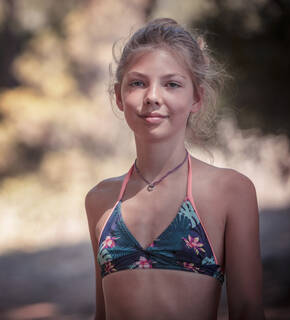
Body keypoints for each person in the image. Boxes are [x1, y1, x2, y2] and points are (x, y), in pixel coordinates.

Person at [85, 18, 264, 320]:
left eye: (172, 84)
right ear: (119, 96)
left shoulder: (230, 191)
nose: (153, 96)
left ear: (197, 97)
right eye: (138, 83)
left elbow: (247, 311)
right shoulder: (101, 200)